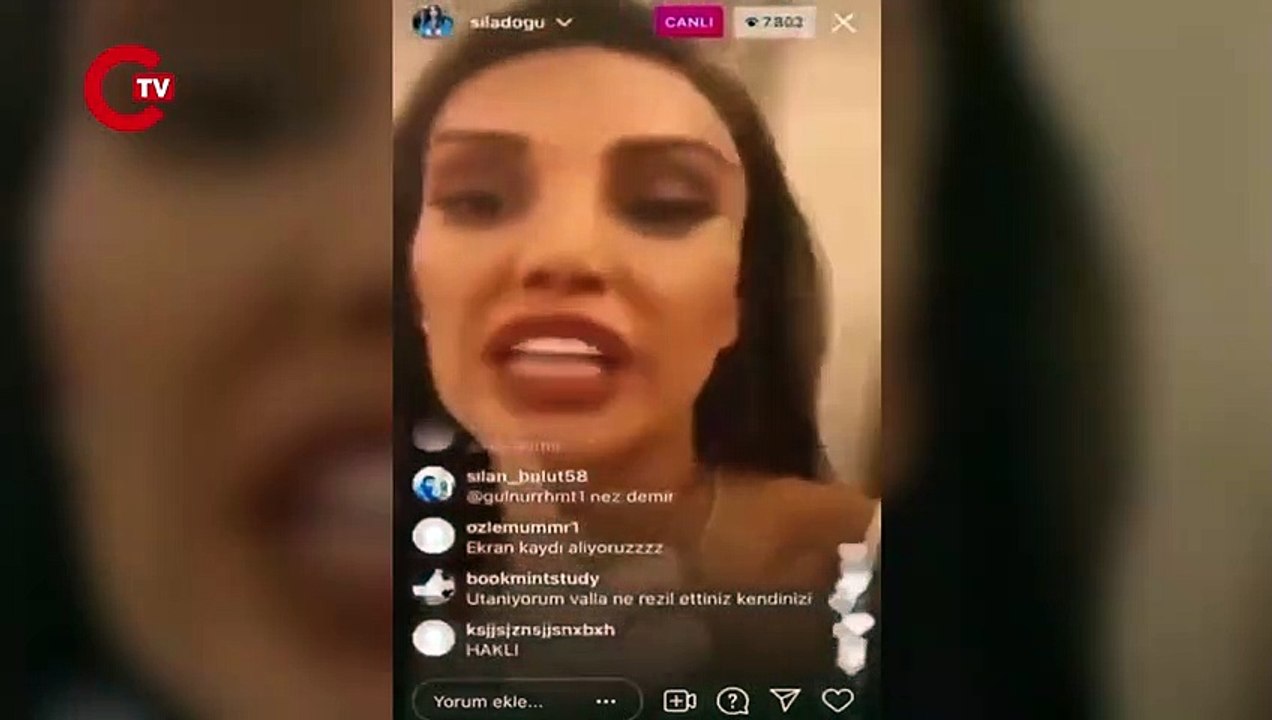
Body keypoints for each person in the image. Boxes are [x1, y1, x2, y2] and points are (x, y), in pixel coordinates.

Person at [393, 0, 878, 692]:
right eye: (477, 199)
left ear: (739, 298)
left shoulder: (863, 569)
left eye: (664, 205)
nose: (565, 254)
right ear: (413, 286)